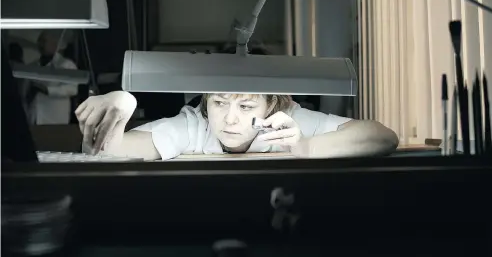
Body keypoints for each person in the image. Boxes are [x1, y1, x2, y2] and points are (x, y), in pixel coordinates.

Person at [75, 90, 399, 161]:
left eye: (246, 106)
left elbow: (384, 137)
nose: (230, 119)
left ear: (271, 105)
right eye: (219, 103)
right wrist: (122, 106)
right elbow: (113, 150)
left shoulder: (288, 121)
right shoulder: (195, 125)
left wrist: (305, 146)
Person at [27, 30, 78, 125]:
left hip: (55, 119)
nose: (41, 45)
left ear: (54, 44)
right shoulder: (32, 66)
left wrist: (47, 90)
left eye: (44, 41)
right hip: (34, 117)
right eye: (39, 41)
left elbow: (72, 89)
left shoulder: (66, 65)